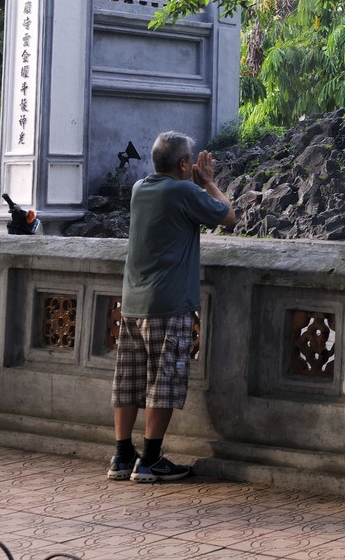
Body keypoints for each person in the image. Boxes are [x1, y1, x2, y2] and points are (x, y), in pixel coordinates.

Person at [110, 131, 235, 484]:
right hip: (168, 304)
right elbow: (229, 217)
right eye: (190, 158)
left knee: (129, 381)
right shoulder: (185, 191)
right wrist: (208, 182)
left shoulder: (140, 189)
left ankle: (122, 455)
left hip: (133, 302)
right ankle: (150, 460)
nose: (194, 162)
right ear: (183, 164)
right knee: (161, 383)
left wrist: (191, 182)